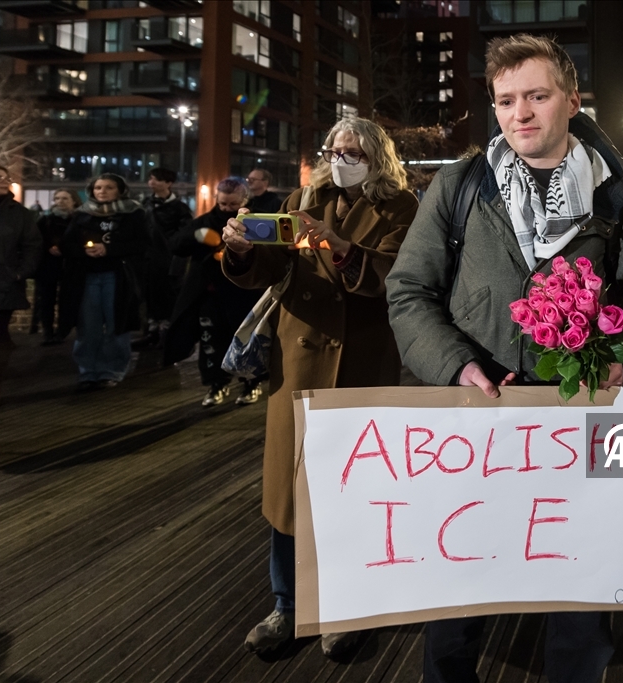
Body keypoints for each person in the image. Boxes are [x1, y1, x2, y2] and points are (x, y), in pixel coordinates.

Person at [385, 34, 623, 683]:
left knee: (586, 590)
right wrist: (457, 364)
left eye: (536, 96)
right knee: (459, 585)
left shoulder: (613, 193)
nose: (521, 113)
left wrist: (622, 357)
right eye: (506, 100)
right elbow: (409, 290)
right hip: (481, 421)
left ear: (570, 99)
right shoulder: (459, 186)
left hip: (592, 421)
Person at [221, 117, 417, 657]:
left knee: (353, 492)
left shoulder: (402, 207)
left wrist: (338, 247)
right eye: (332, 149)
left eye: (351, 151)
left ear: (376, 156)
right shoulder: (300, 198)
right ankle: (288, 604)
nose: (339, 158)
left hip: (362, 361)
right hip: (299, 363)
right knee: (289, 490)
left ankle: (350, 605)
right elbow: (268, 262)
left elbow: (395, 276)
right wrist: (238, 247)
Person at [162, 178, 264, 406]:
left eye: (232, 204)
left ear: (244, 200)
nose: (227, 209)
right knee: (211, 340)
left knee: (246, 339)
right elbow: (176, 244)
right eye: (223, 204)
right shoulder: (205, 221)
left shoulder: (257, 221)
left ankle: (251, 383)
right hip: (211, 293)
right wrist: (198, 236)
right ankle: (217, 384)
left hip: (244, 293)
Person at [59, 174, 148, 389]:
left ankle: (112, 371)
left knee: (117, 324)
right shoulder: (81, 215)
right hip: (87, 276)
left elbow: (142, 243)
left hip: (117, 276)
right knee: (88, 327)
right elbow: (67, 245)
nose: (102, 191)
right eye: (98, 187)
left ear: (120, 190)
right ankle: (88, 372)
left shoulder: (133, 213)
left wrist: (109, 249)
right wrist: (84, 251)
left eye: (109, 187)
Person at [0, 165, 43, 402]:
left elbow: (32, 246)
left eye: (5, 177)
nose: (3, 181)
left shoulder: (20, 214)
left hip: (4, 283)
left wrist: (19, 273)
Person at [140, 167, 193, 348]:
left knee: (167, 295)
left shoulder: (179, 208)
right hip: (148, 258)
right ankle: (151, 331)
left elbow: (186, 234)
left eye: (156, 179)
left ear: (168, 183)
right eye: (151, 179)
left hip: (169, 259)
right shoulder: (145, 204)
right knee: (149, 294)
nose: (152, 183)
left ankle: (167, 332)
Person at [34, 189, 81, 345]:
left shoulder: (78, 220)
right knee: (46, 300)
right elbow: (35, 239)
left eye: (65, 198)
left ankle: (62, 331)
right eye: (57, 198)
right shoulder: (45, 219)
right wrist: (48, 247)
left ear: (73, 201)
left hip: (70, 264)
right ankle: (48, 332)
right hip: (48, 265)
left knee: (67, 300)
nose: (60, 201)